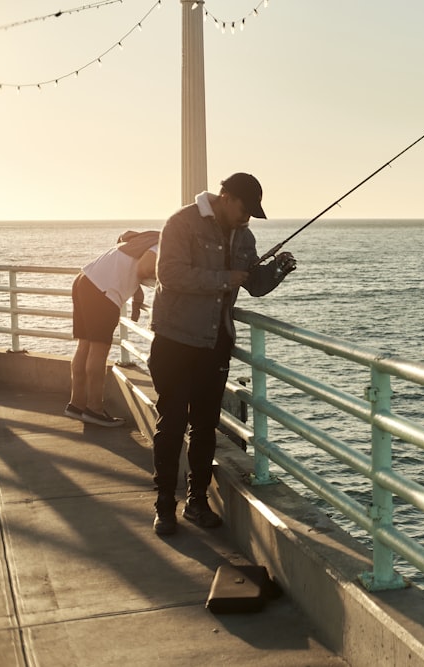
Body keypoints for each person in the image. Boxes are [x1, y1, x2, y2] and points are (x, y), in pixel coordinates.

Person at [149, 173, 296, 535]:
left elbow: (253, 285)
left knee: (204, 428)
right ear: (226, 197)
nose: (247, 218)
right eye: (245, 209)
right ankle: (164, 506)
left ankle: (196, 501)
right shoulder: (181, 223)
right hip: (175, 340)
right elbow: (168, 274)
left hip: (215, 345)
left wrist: (277, 271)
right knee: (170, 425)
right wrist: (222, 278)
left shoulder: (244, 236)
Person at [66, 230, 159, 427]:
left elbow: (131, 268)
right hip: (102, 292)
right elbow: (144, 270)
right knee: (99, 351)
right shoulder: (162, 245)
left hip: (84, 280)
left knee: (84, 346)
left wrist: (136, 300)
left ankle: (76, 404)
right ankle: (94, 409)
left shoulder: (141, 242)